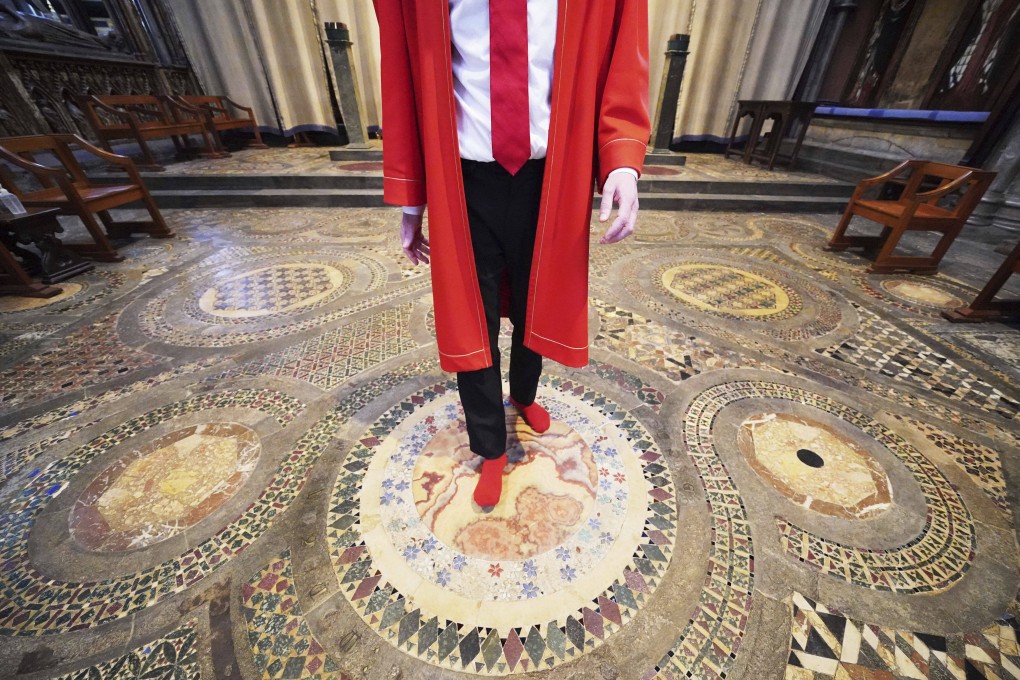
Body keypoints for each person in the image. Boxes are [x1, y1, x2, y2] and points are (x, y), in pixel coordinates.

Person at [373, 0, 649, 507]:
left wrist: (622, 162)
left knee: (536, 303)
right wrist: (412, 201)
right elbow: (404, 70)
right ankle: (490, 446)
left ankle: (523, 394)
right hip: (463, 176)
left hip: (551, 174)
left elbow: (622, 60)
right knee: (469, 317)